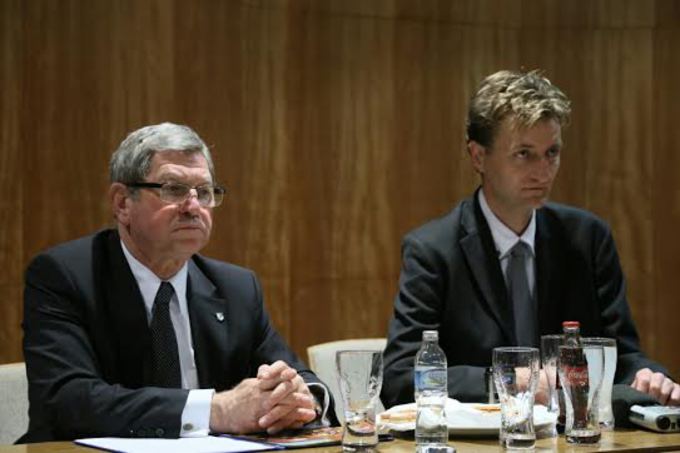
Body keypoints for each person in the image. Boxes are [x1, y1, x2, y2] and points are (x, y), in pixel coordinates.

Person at [381, 70, 680, 408]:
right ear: (478, 157)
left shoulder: (587, 239)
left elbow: (621, 357)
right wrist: (508, 379)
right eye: (524, 154)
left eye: (552, 152)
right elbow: (400, 377)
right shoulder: (433, 250)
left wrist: (651, 376)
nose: (542, 171)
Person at [20, 123, 334, 443]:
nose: (193, 207)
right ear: (122, 203)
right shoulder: (65, 276)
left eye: (205, 192)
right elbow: (68, 400)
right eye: (173, 189)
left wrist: (300, 400)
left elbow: (296, 375)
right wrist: (217, 410)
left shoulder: (236, 288)